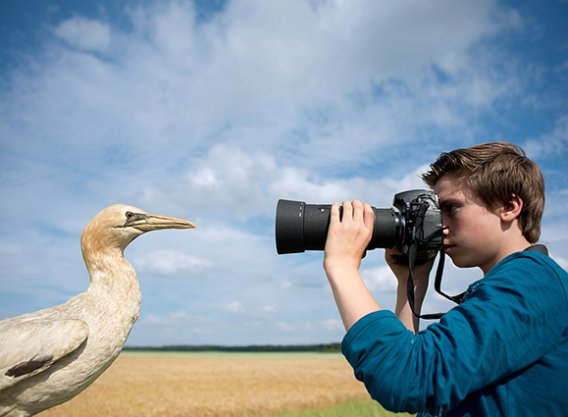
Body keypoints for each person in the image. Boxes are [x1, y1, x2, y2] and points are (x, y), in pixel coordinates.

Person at [323, 142, 568, 417]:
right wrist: (411, 282)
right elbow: (421, 393)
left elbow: (407, 378)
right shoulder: (520, 284)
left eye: (451, 208)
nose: (440, 225)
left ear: (509, 207)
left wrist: (342, 264)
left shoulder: (532, 281)